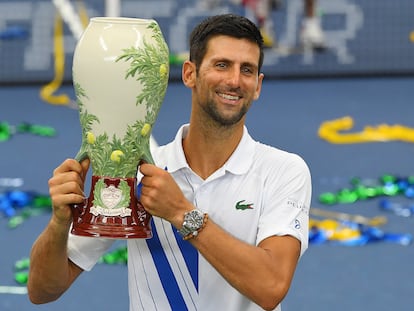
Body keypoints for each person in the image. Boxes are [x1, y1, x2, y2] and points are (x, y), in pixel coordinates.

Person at [28, 14, 311, 311]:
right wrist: (59, 224)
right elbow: (42, 290)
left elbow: (271, 287)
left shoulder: (284, 171)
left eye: (247, 70)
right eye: (222, 65)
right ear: (189, 73)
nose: (234, 80)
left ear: (258, 86)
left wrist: (180, 213)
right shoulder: (134, 176)